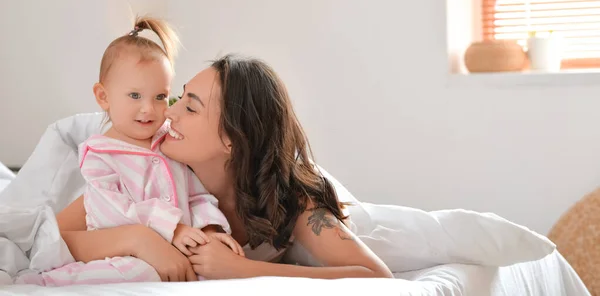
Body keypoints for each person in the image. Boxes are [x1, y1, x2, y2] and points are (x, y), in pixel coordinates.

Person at [56, 53, 394, 280]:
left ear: (233, 137)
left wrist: (243, 269)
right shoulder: (150, 171)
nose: (168, 113)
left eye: (190, 108)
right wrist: (140, 238)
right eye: (178, 97)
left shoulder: (290, 200)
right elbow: (52, 239)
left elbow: (377, 277)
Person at [17, 18, 242, 286]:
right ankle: (42, 284)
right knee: (135, 273)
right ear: (103, 97)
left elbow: (197, 196)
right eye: (135, 96)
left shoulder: (169, 144)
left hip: (177, 248)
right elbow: (114, 211)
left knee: (205, 275)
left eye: (159, 97)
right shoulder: (100, 155)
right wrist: (174, 228)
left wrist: (209, 230)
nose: (149, 108)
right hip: (122, 250)